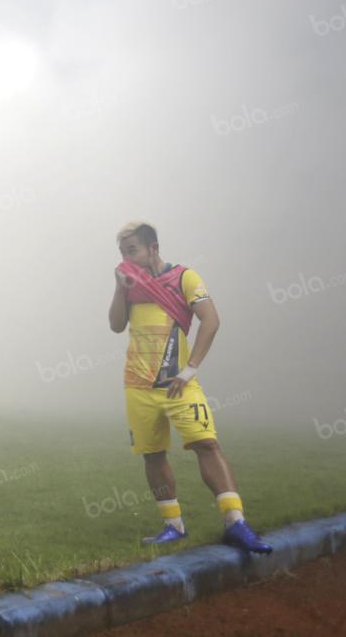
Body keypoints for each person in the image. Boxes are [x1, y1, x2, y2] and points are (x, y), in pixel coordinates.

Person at [109, 221, 271, 553]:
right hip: (138, 386)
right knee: (152, 455)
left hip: (178, 384)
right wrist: (118, 288)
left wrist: (190, 368)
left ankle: (235, 522)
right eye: (123, 252)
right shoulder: (129, 284)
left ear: (153, 248)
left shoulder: (184, 277)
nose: (126, 258)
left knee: (206, 444)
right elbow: (115, 325)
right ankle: (173, 526)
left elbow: (210, 320)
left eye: (133, 250)